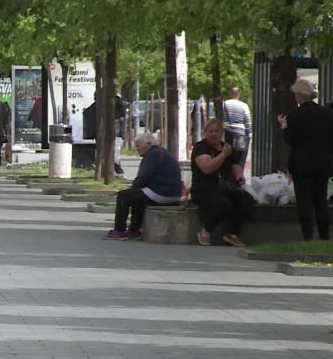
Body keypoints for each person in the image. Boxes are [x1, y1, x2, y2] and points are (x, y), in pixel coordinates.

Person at [278, 79, 333, 241]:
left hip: (301, 164)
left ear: (301, 95)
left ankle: (307, 236)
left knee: (304, 202)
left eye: (296, 93)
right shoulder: (325, 113)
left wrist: (283, 125)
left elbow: (290, 139)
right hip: (321, 163)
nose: (294, 96)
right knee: (320, 200)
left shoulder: (294, 115)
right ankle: (324, 236)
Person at [102, 132, 182, 240]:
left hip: (161, 193)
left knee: (123, 197)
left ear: (148, 144)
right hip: (173, 194)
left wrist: (132, 188)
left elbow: (143, 177)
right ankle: (134, 230)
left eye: (138, 146)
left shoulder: (152, 154)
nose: (137, 149)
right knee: (137, 197)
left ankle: (119, 231)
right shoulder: (162, 152)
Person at [191, 118, 254, 246]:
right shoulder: (201, 148)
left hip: (225, 186)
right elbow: (208, 168)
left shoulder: (226, 147)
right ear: (205, 133)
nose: (214, 134)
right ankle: (205, 230)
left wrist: (239, 175)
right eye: (211, 131)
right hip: (204, 188)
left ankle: (232, 233)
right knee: (222, 204)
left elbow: (235, 164)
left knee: (246, 200)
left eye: (217, 131)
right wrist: (223, 155)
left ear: (221, 132)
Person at [223, 86, 252, 169]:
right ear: (239, 94)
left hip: (228, 131)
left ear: (230, 93)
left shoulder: (225, 104)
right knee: (240, 158)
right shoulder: (244, 106)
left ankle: (229, 174)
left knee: (228, 156)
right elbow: (248, 121)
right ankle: (239, 176)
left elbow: (222, 118)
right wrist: (249, 134)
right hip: (240, 133)